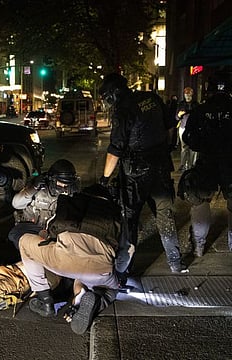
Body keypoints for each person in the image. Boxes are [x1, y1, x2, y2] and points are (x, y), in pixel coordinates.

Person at [98, 73, 187, 277]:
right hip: (160, 167)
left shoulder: (123, 111)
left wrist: (104, 178)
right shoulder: (151, 98)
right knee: (165, 214)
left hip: (135, 174)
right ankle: (176, 262)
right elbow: (169, 124)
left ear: (113, 94)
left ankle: (123, 270)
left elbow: (115, 149)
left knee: (129, 219)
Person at [18, 184, 121, 335]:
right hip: (100, 270)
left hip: (63, 263)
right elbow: (126, 250)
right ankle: (89, 301)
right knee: (111, 289)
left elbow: (49, 232)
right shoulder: (115, 215)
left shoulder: (72, 205)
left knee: (25, 242)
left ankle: (44, 298)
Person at [180, 71, 232, 256]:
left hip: (206, 161)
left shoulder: (201, 110)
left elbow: (188, 138)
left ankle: (199, 246)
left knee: (200, 201)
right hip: (230, 163)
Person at [8, 159, 80, 249]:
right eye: (60, 183)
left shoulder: (72, 192)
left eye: (66, 184)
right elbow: (16, 204)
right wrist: (33, 188)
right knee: (15, 234)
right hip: (32, 227)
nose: (63, 187)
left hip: (55, 230)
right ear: (52, 179)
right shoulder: (37, 185)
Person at [176, 87, 199, 171]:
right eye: (186, 94)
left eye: (189, 94)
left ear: (192, 94)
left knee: (193, 147)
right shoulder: (181, 104)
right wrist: (179, 115)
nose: (187, 96)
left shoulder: (196, 104)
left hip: (193, 128)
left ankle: (193, 165)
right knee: (184, 147)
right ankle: (183, 165)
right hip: (183, 127)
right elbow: (176, 117)